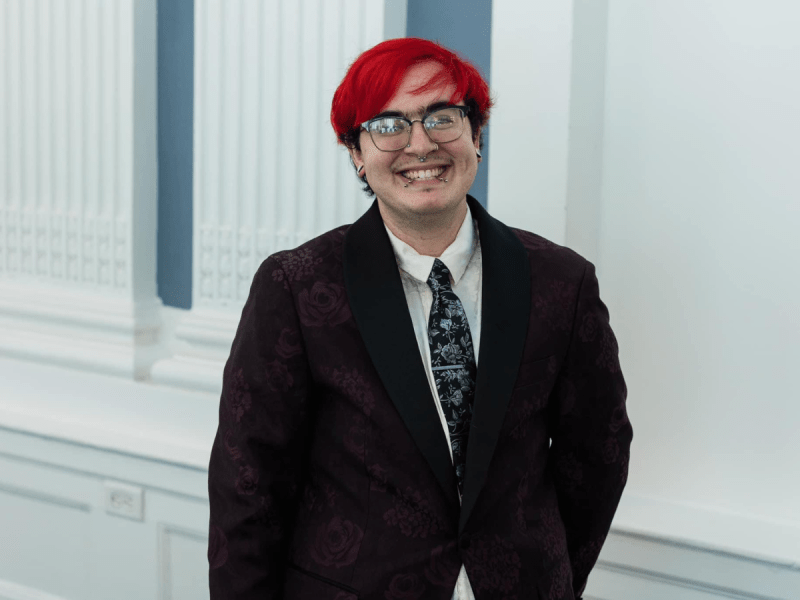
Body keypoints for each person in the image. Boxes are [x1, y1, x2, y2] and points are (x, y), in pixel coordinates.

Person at [208, 37, 632, 600]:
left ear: (476, 136)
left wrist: (548, 574)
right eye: (388, 125)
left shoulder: (562, 282)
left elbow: (597, 456)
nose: (420, 144)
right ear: (357, 152)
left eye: (442, 117)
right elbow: (249, 481)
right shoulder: (297, 286)